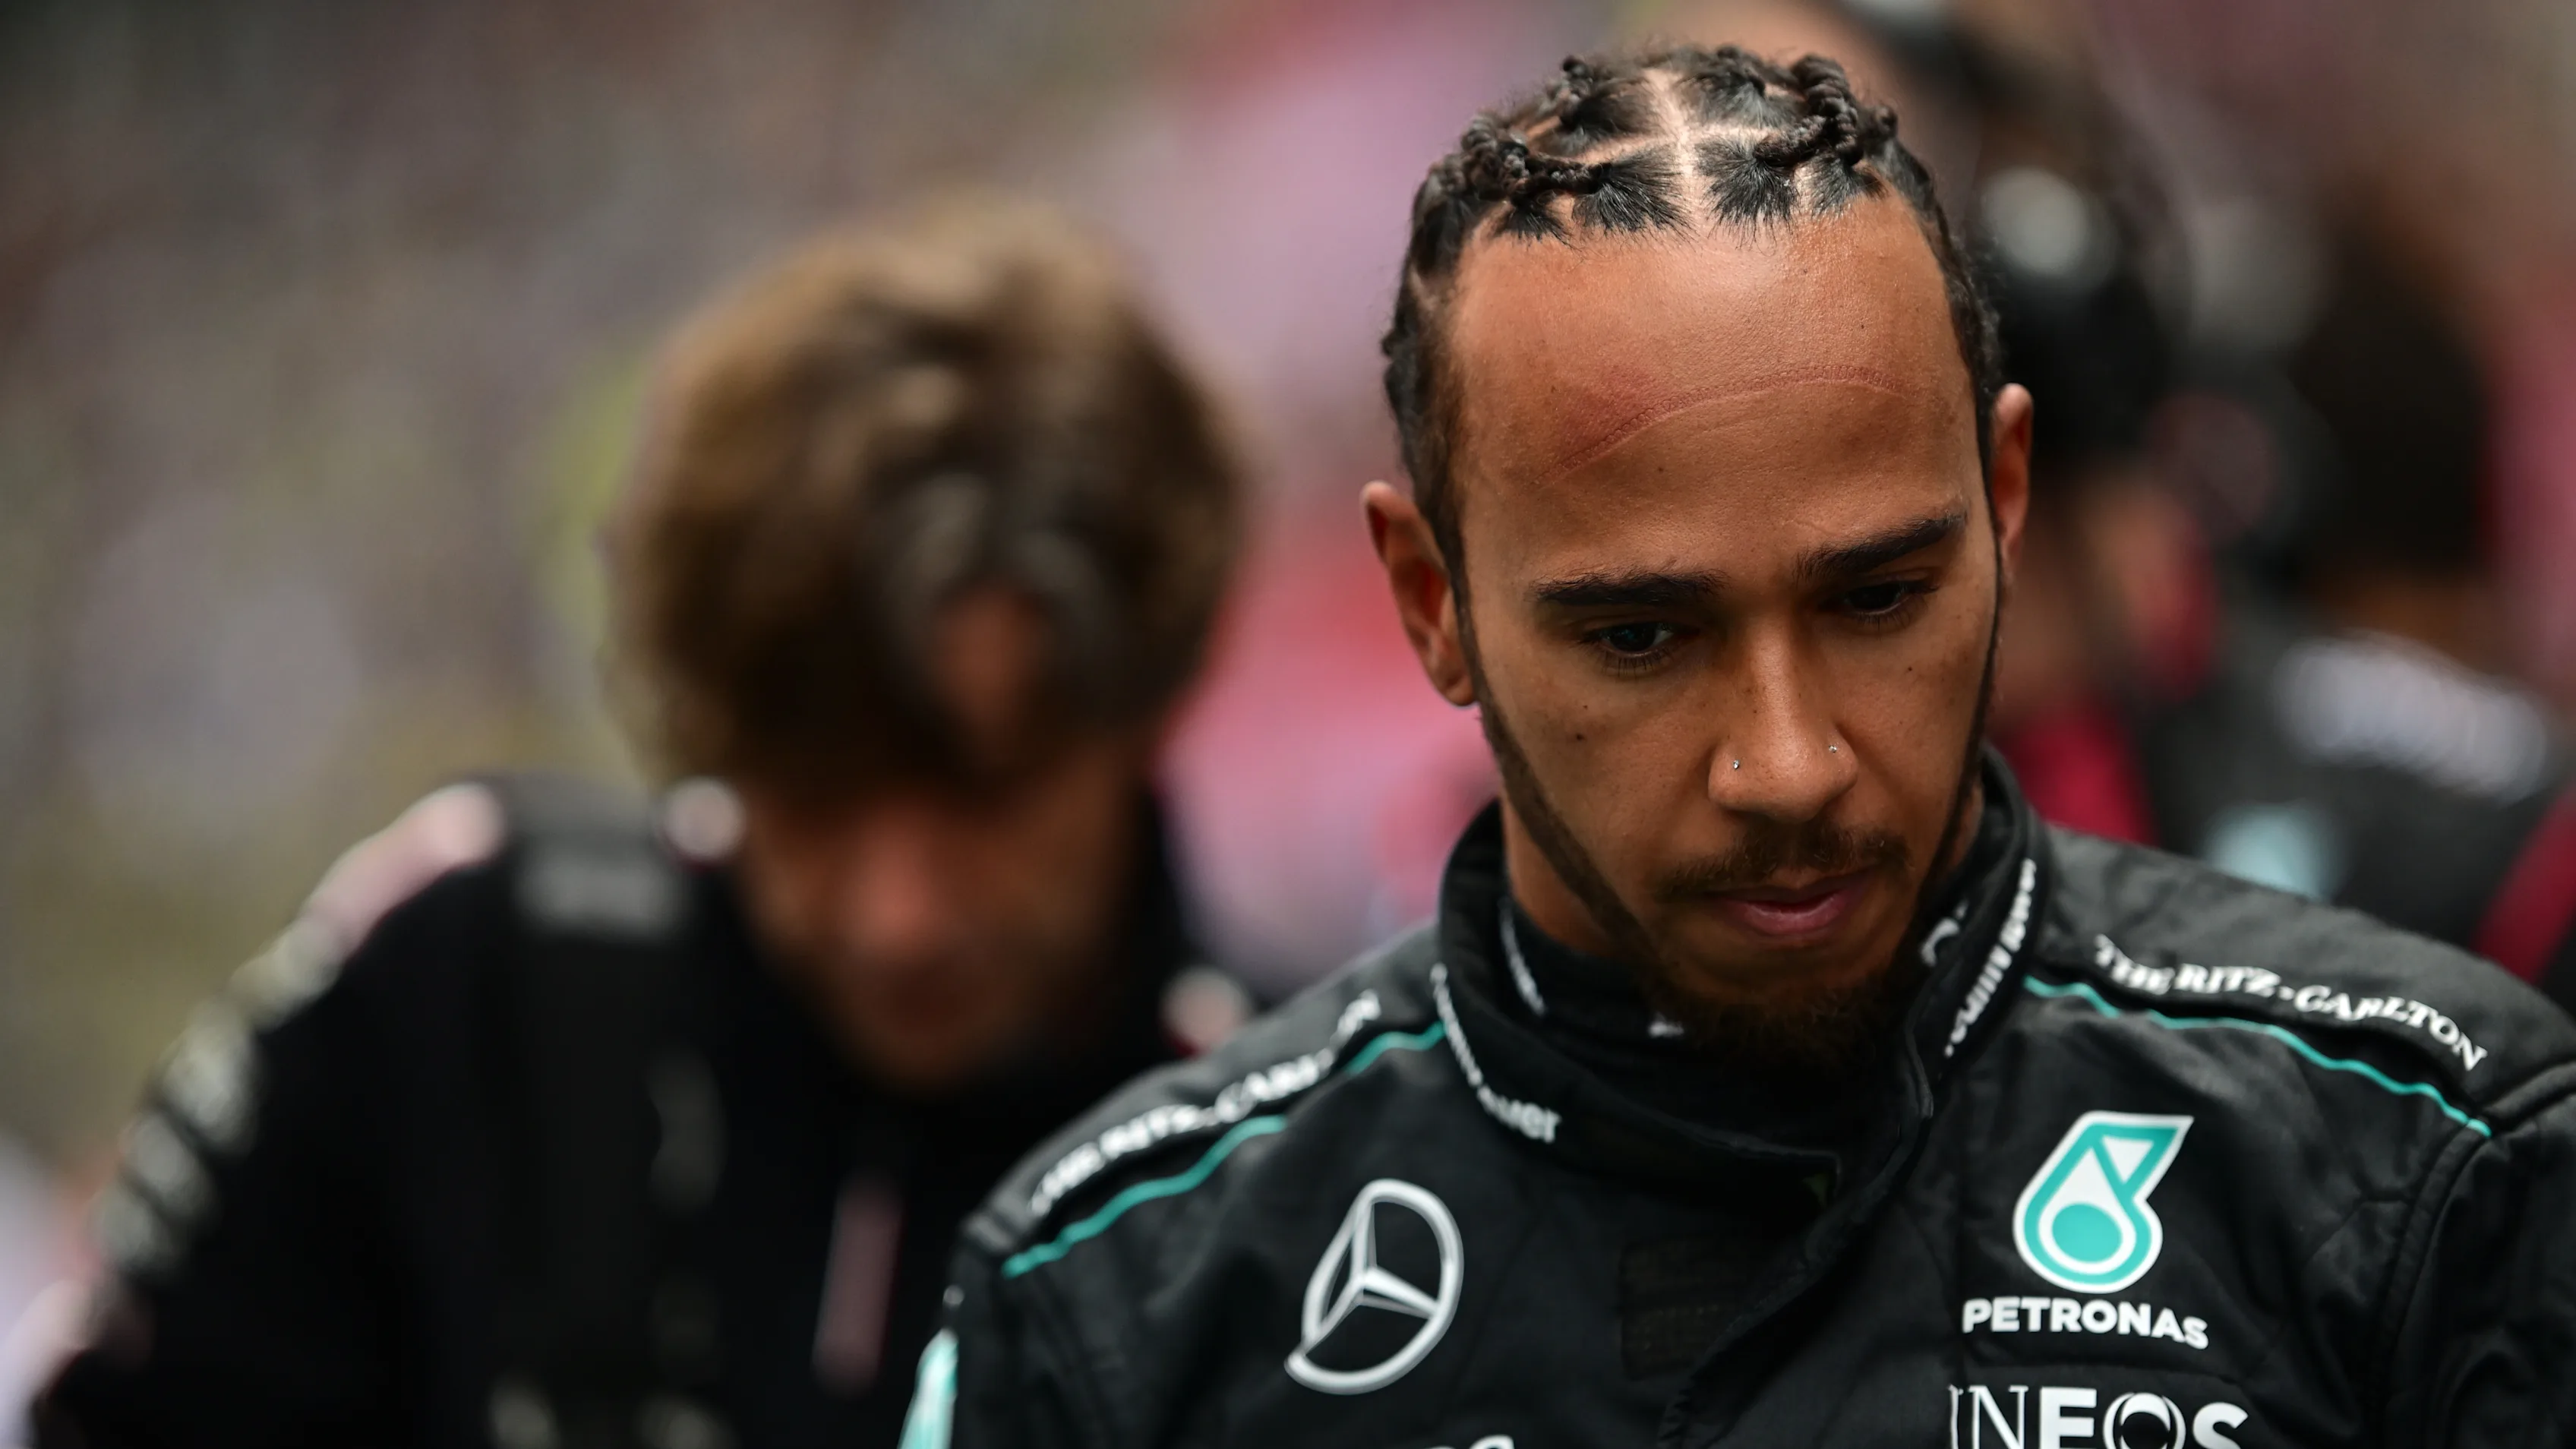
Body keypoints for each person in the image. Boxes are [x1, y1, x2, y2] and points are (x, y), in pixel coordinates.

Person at [913, 46, 2576, 1447]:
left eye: (1876, 598)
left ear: (2005, 505)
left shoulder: (2423, 1158)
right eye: (1641, 636)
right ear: (1433, 601)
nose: (1787, 767)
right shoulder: (1116, 1304)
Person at [34, 198, 1249, 1449]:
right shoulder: (460, 986)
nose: (896, 916)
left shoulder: (1314, 1156)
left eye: (982, 799)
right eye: (813, 800)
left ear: (1150, 712)